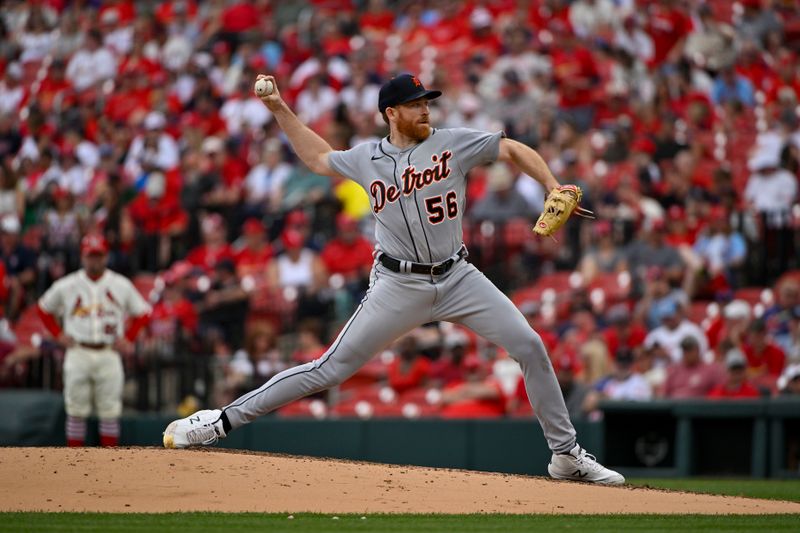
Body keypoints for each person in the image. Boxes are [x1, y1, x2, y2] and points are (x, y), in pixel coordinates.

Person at [163, 73, 624, 485]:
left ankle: (565, 455)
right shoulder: (368, 158)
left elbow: (510, 148)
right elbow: (320, 158)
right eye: (417, 104)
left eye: (428, 103)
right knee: (330, 369)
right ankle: (220, 422)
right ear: (392, 112)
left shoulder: (451, 142)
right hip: (397, 283)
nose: (426, 110)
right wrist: (279, 108)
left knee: (529, 345)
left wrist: (550, 184)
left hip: (458, 275)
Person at [37, 234, 151, 447]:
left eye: (98, 256)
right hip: (78, 350)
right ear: (83, 256)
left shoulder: (120, 284)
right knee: (76, 410)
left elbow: (144, 312)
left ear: (106, 257)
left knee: (109, 411)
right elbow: (43, 307)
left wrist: (129, 338)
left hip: (109, 351)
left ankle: (108, 465)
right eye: (91, 256)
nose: (94, 261)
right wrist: (58, 334)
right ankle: (74, 461)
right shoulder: (68, 284)